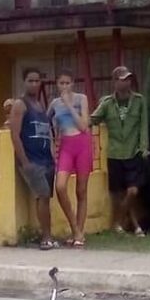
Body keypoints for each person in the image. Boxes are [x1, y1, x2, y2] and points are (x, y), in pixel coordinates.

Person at [90, 66, 149, 236]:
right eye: (123, 79)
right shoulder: (107, 103)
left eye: (129, 78)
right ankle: (134, 225)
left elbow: (143, 126)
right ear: (115, 82)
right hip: (114, 153)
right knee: (117, 193)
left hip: (133, 152)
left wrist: (144, 147)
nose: (127, 82)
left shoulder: (139, 100)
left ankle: (117, 221)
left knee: (133, 191)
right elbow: (93, 119)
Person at [9, 67, 57, 250]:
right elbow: (14, 135)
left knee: (46, 198)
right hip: (32, 160)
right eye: (31, 80)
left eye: (37, 81)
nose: (34, 84)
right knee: (42, 195)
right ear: (24, 82)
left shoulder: (40, 105)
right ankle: (45, 238)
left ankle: (49, 236)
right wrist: (25, 162)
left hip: (46, 160)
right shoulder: (20, 105)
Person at [47, 71, 91, 247]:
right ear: (57, 85)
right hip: (65, 145)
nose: (64, 86)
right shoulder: (54, 104)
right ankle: (75, 229)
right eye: (61, 83)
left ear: (73, 84)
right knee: (60, 186)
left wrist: (69, 105)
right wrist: (52, 144)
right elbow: (47, 123)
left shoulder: (81, 99)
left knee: (81, 190)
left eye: (67, 83)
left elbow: (83, 126)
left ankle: (79, 234)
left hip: (82, 143)